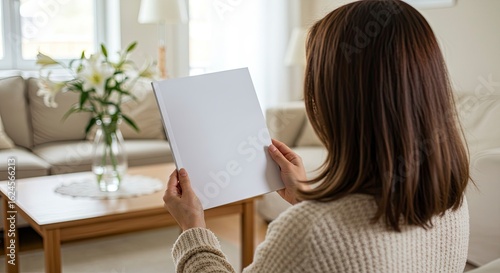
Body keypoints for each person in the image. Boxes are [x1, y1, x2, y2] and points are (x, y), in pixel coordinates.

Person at [163, 0, 471, 272]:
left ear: (333, 99)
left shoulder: (307, 233)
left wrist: (193, 229)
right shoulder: (451, 202)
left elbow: (331, 246)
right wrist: (303, 200)